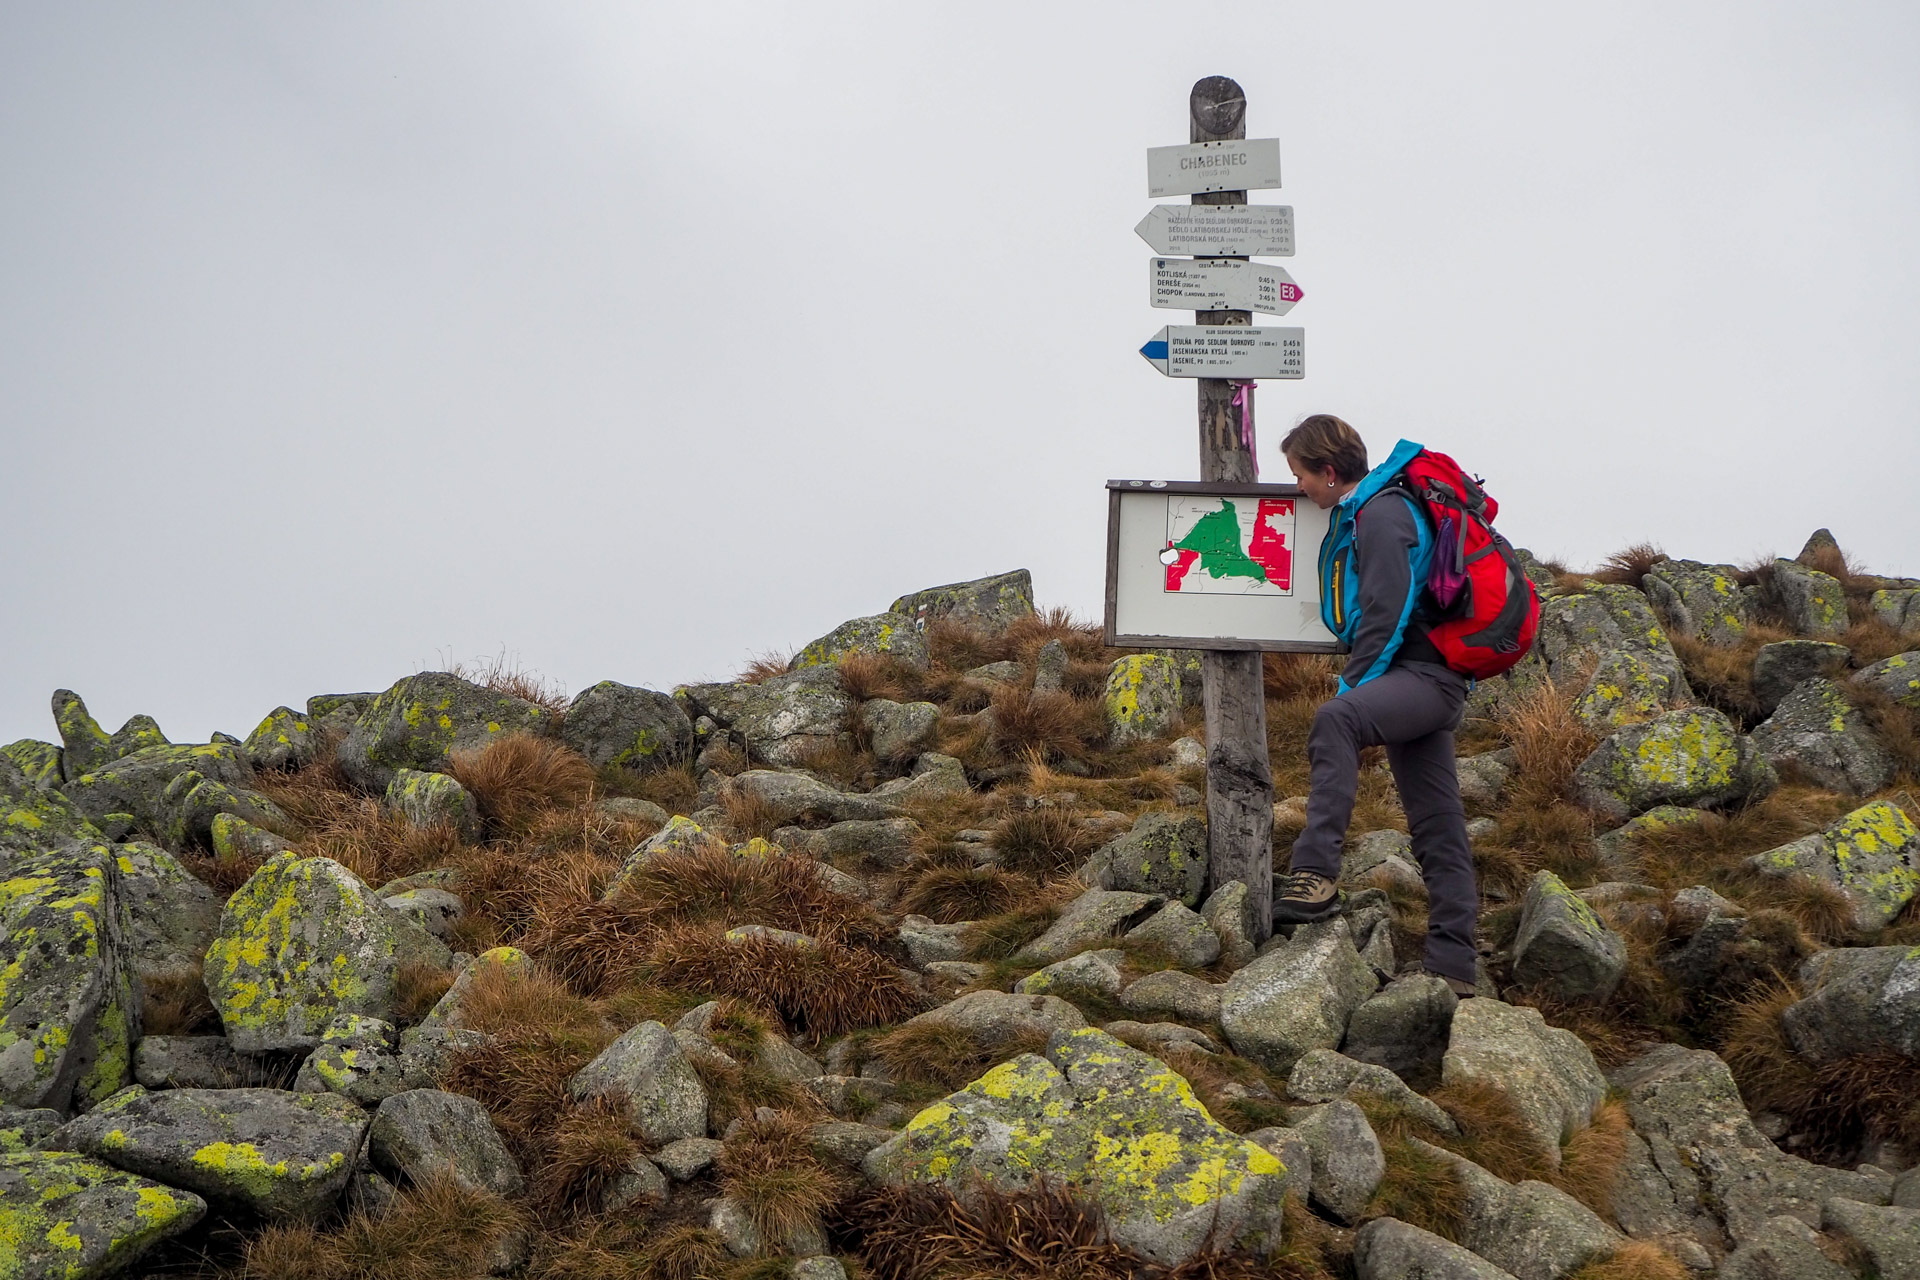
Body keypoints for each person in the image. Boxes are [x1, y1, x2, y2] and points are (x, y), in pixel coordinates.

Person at [1274, 415, 1480, 999]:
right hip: (1429, 680)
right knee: (1438, 824)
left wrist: (1352, 690)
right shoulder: (1382, 507)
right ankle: (1454, 967)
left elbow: (1386, 612)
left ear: (1329, 471)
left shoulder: (1381, 512)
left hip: (1422, 676)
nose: (1298, 490)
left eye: (1300, 476)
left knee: (1335, 719)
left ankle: (1314, 876)